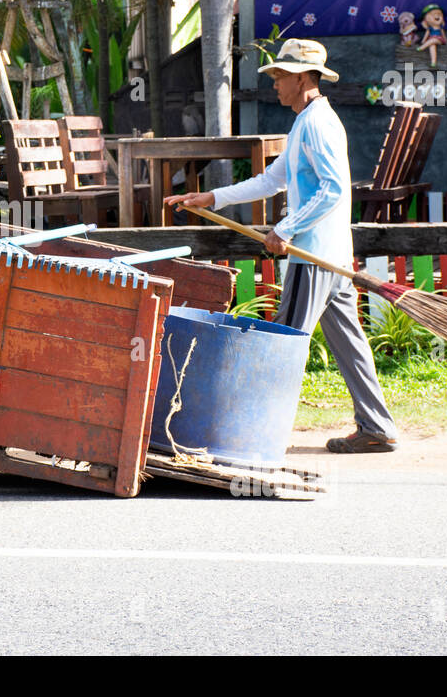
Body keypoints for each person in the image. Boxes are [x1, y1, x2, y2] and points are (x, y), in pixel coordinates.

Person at [164, 38, 398, 453]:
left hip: (315, 256)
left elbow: (331, 190)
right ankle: (377, 428)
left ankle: (253, 434)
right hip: (331, 255)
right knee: (349, 343)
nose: (274, 84)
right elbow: (271, 180)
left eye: (280, 76)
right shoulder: (307, 121)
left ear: (304, 79)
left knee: (281, 343)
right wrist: (211, 198)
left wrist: (286, 229)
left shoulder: (317, 124)